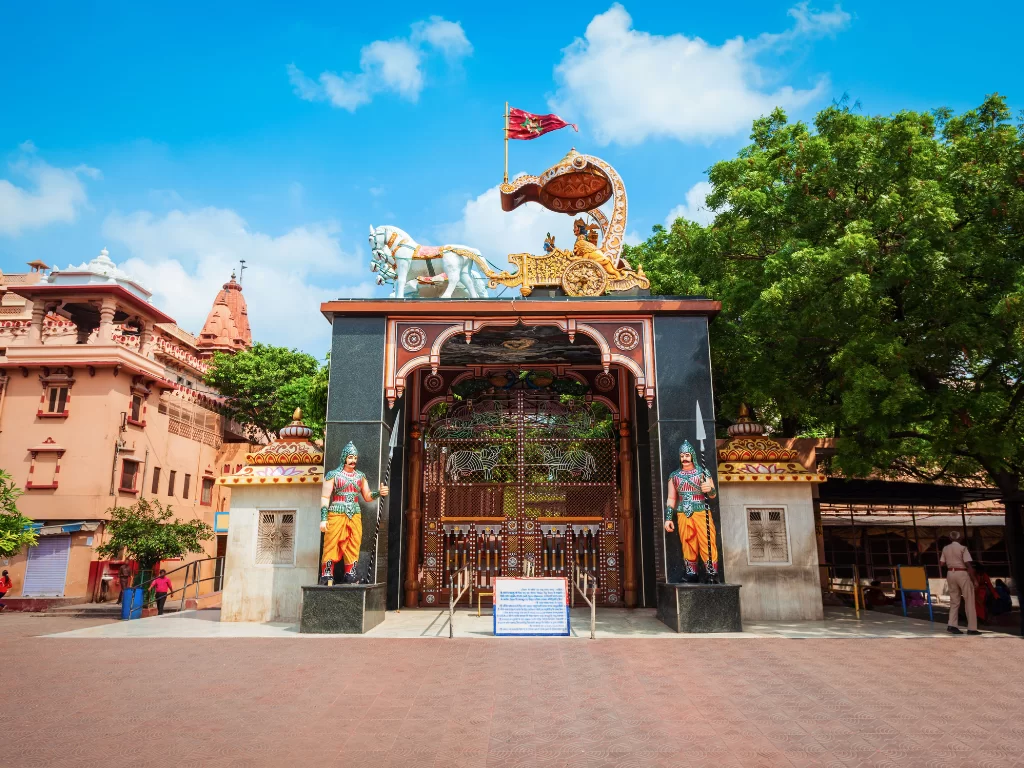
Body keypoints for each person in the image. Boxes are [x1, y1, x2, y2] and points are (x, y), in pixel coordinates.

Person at [319, 442, 389, 585]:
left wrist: (379, 493)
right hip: (336, 512)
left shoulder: (360, 476)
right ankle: (327, 574)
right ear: (344, 458)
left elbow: (368, 496)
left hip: (355, 513)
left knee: (354, 543)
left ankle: (350, 574)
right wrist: (323, 518)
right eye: (350, 457)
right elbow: (325, 497)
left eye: (355, 458)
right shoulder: (333, 475)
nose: (353, 461)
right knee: (331, 542)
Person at [664, 440, 719, 582]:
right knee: (688, 542)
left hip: (701, 510)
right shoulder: (674, 476)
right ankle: (691, 573)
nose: (684, 458)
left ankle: (711, 572)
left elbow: (713, 495)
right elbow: (671, 498)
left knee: (707, 540)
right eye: (682, 456)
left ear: (693, 456)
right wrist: (668, 518)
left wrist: (710, 489)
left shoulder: (703, 472)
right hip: (683, 512)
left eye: (687, 455)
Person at [940, 531, 980, 635]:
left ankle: (952, 625)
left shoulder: (945, 548)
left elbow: (941, 563)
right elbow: (968, 564)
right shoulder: (963, 548)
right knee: (969, 600)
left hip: (950, 573)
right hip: (962, 573)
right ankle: (972, 628)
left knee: (954, 601)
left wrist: (951, 562)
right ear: (960, 538)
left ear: (950, 538)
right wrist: (974, 579)